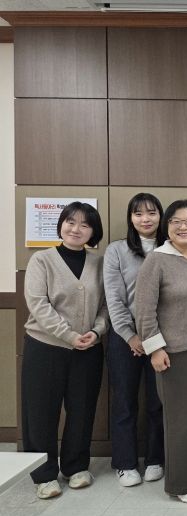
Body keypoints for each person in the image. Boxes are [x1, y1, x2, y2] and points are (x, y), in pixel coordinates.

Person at [135, 200, 187, 504]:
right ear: (167, 226)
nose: (184, 227)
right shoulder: (156, 260)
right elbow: (144, 310)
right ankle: (181, 484)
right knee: (179, 420)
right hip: (174, 353)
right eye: (176, 221)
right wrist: (155, 349)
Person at [22, 201, 108, 499]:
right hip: (45, 348)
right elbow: (38, 304)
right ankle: (44, 474)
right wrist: (69, 335)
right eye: (70, 222)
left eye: (85, 224)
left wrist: (97, 331)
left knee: (82, 410)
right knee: (40, 412)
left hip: (89, 349)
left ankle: (76, 466)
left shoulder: (99, 263)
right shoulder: (41, 260)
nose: (76, 229)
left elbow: (107, 305)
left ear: (93, 232)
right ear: (61, 225)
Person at [104, 193, 165, 487]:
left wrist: (152, 338)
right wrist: (130, 336)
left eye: (152, 213)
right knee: (124, 402)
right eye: (138, 213)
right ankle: (125, 463)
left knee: (158, 402)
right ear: (130, 218)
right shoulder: (116, 251)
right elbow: (114, 299)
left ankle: (155, 459)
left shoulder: (170, 248)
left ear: (160, 216)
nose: (146, 219)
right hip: (122, 338)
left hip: (161, 338)